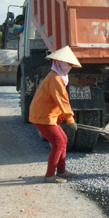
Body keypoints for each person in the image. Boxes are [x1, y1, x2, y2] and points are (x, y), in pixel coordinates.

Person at [29, 46, 82, 183]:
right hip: (42, 116)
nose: (69, 67)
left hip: (47, 115)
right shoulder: (56, 79)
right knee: (58, 142)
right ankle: (50, 175)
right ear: (60, 63)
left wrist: (63, 117)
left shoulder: (58, 76)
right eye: (68, 64)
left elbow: (57, 101)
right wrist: (70, 119)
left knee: (63, 140)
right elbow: (62, 100)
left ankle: (62, 171)